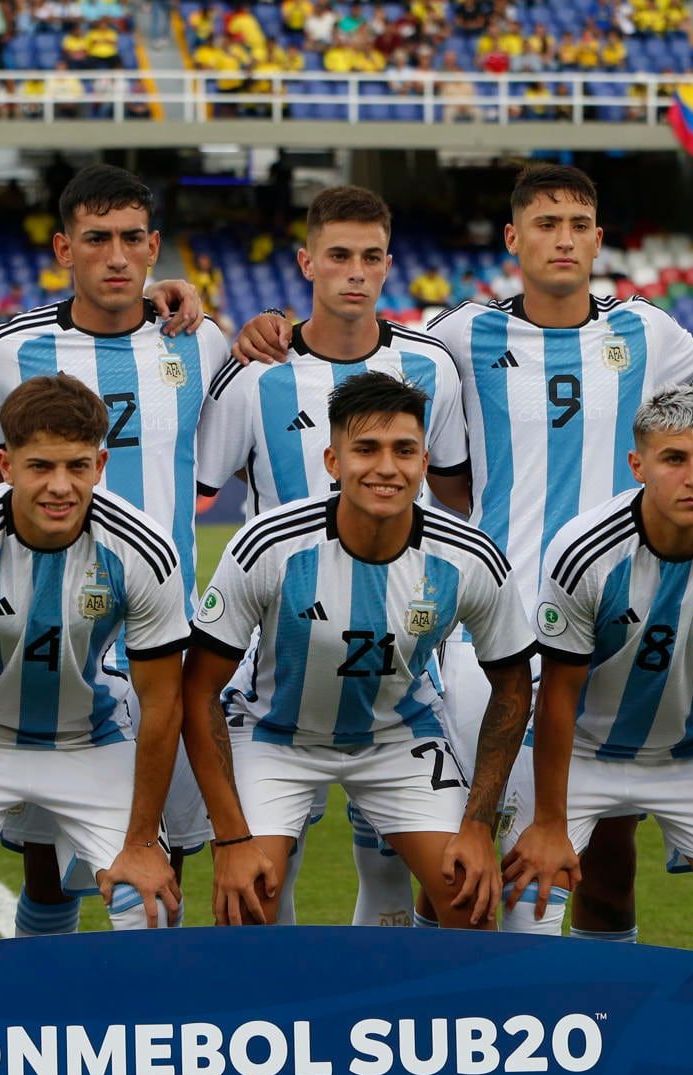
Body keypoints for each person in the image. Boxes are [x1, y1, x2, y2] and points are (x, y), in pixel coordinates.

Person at [235, 164, 693, 937]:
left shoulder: (646, 330)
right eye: (545, 224)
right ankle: (443, 1010)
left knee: (605, 853)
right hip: (494, 642)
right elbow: (365, 351)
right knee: (467, 857)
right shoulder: (458, 334)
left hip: (622, 632)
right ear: (513, 239)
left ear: (599, 240)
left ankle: (594, 1017)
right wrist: (276, 329)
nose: (562, 240)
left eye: (577, 226)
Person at [195, 184, 472, 927]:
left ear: (389, 265)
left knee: (392, 868)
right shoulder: (256, 373)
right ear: (305, 262)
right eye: (339, 255)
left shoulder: (433, 366)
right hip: (273, 669)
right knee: (258, 890)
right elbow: (193, 488)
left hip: (399, 664)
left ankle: (380, 1018)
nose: (355, 272)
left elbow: (450, 490)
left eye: (371, 257)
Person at [183, 372, 534, 929]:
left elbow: (514, 685)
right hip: (274, 735)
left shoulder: (469, 556)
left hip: (399, 735)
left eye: (405, 451)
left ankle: (421, 1011)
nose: (387, 468)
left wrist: (476, 823)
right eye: (366, 449)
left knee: (469, 901)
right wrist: (230, 837)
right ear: (332, 460)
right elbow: (198, 686)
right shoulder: (269, 544)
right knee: (248, 904)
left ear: (424, 461)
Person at [0, 164, 222, 937]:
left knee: (158, 863)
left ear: (154, 250)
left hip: (162, 636)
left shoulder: (202, 341)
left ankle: (150, 1027)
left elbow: (210, 470)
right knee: (42, 863)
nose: (115, 256)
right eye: (95, 239)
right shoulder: (9, 351)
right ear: (62, 249)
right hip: (45, 638)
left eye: (130, 240)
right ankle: (49, 1017)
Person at [0, 373, 189, 945]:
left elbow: (162, 700)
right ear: (5, 466)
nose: (60, 486)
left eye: (77, 466)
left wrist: (144, 841)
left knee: (148, 904)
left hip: (89, 739)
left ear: (101, 465)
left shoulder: (144, 549)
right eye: (40, 467)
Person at [501, 385, 693, 945]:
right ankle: (596, 1022)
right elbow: (558, 695)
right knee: (527, 913)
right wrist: (548, 824)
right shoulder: (583, 550)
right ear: (638, 465)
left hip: (691, 751)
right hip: (581, 751)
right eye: (674, 459)